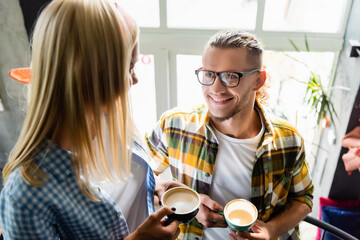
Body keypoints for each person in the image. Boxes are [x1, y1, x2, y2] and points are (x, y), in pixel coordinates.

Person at [0, 0, 180, 239]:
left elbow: (121, 185)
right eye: (129, 68)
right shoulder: (25, 198)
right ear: (91, 77)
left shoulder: (107, 120)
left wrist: (150, 187)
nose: (135, 79)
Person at [145, 30, 314, 240]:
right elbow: (140, 179)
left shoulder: (289, 140)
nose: (215, 88)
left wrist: (272, 230)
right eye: (208, 74)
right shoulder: (173, 125)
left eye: (230, 76)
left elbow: (303, 198)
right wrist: (190, 203)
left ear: (258, 80)